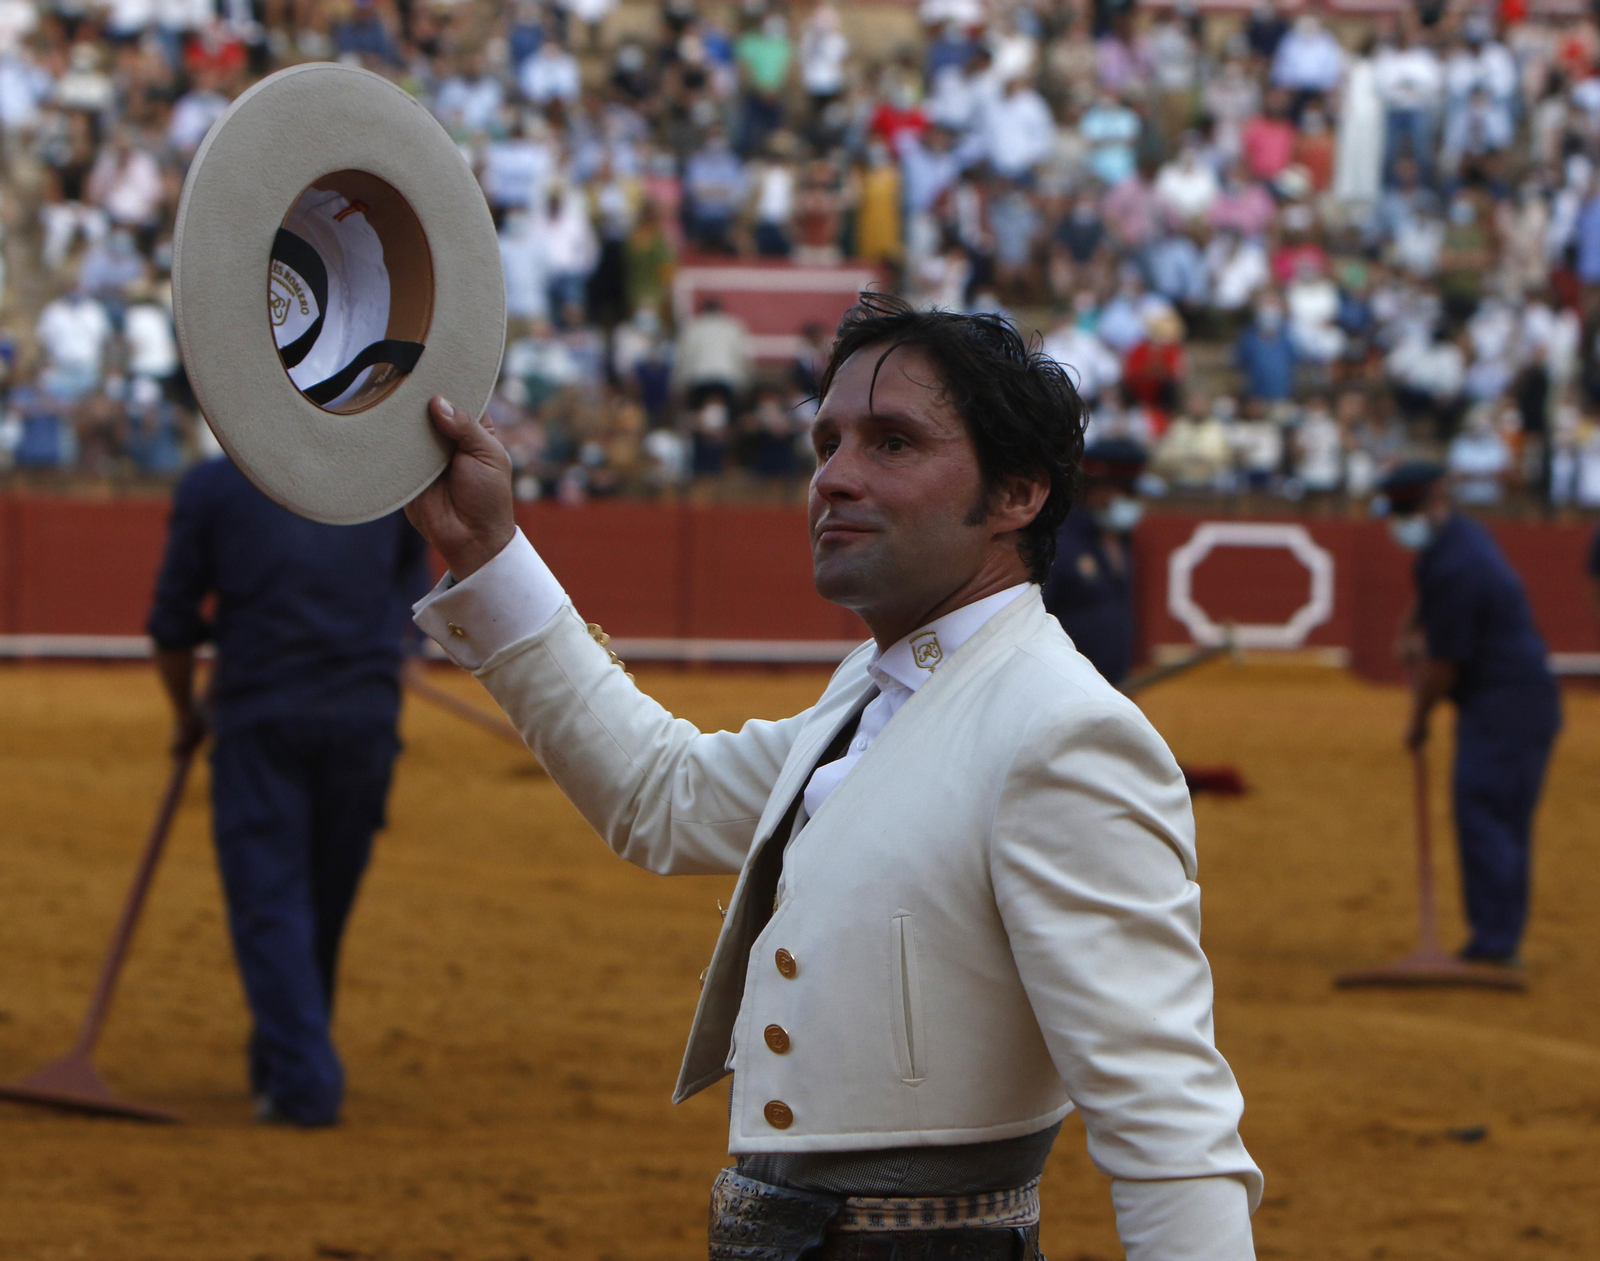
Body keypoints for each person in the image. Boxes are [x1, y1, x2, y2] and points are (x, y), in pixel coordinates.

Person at [405, 294, 1260, 1258]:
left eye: (893, 443)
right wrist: (487, 550)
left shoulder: (1066, 734)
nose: (834, 478)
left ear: (1017, 493)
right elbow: (663, 796)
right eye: (827, 443)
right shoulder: (877, 683)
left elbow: (1171, 1127)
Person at [146, 455, 431, 1126]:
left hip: (262, 716)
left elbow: (171, 623)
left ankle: (303, 1081)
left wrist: (186, 714)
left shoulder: (216, 486)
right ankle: (283, 1059)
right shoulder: (383, 480)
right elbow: (410, 601)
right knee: (322, 902)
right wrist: (379, 652)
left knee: (272, 900)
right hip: (363, 718)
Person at [1382, 462, 1561, 967]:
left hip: (1504, 709)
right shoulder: (1458, 541)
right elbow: (1430, 598)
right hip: (1513, 702)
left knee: (1487, 816)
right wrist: (1411, 627)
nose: (1402, 523)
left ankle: (1496, 945)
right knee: (1497, 817)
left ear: (1436, 500)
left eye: (1408, 512)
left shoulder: (1456, 563)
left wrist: (1418, 719)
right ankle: (1497, 936)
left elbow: (1444, 665)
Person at [1041, 437, 1145, 686]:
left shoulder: (1121, 540)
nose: (1123, 500)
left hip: (1114, 681)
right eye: (1119, 491)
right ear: (1095, 490)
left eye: (1129, 492)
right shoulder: (1061, 540)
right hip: (1066, 682)